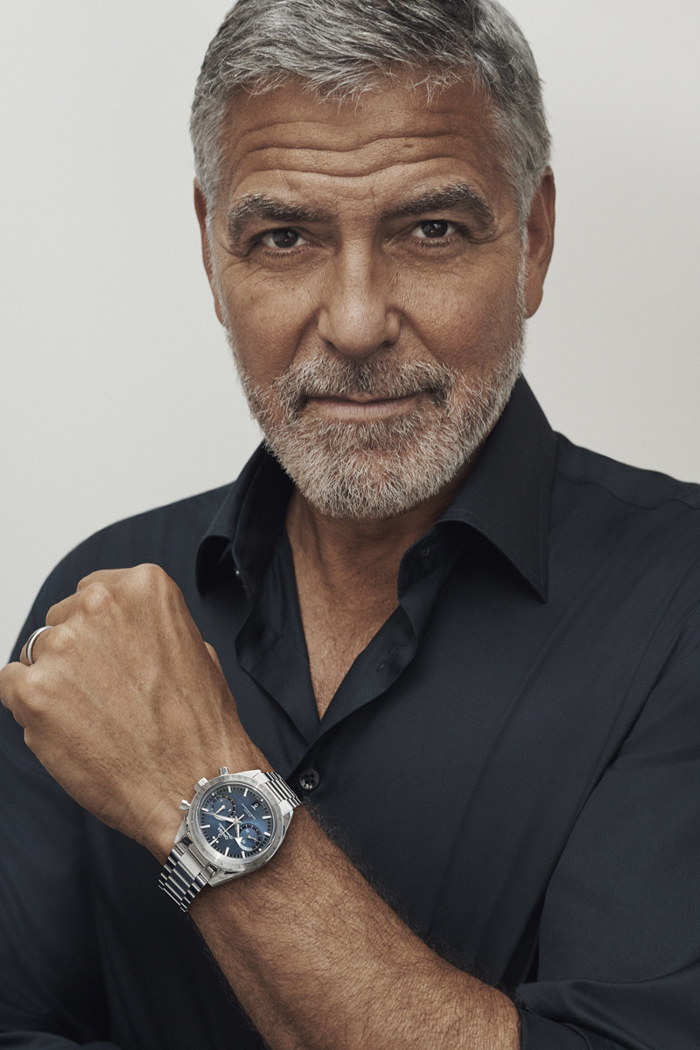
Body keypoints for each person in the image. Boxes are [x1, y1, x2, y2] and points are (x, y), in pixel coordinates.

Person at [1, 0, 699, 1047]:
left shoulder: (680, 602)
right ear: (211, 251)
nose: (358, 322)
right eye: (284, 238)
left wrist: (198, 788)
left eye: (431, 230)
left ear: (534, 238)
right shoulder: (103, 596)